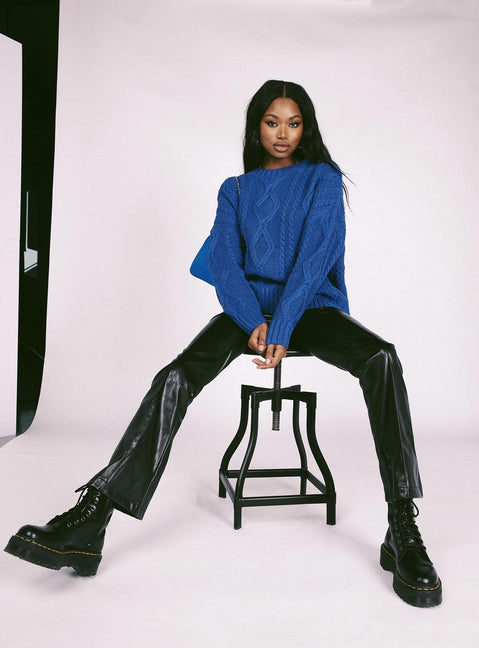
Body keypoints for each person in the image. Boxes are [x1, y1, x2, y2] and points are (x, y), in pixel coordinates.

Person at [4, 80, 442, 608]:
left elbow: (315, 257)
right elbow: (226, 264)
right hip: (246, 312)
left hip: (310, 308)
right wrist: (251, 319)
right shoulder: (234, 189)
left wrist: (281, 326)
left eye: (294, 123)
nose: (283, 133)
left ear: (306, 129)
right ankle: (92, 517)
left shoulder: (322, 179)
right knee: (175, 376)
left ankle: (401, 526)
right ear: (256, 128)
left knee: (382, 357)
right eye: (272, 122)